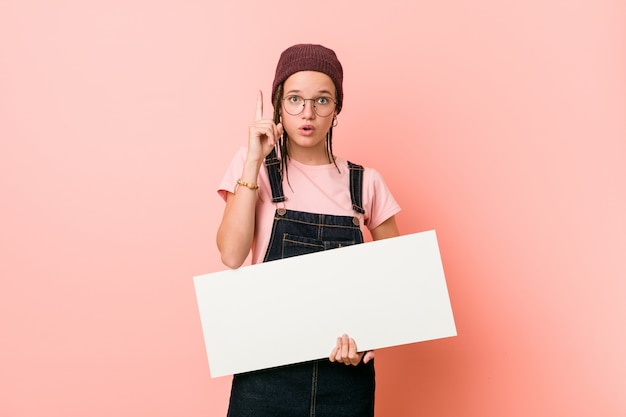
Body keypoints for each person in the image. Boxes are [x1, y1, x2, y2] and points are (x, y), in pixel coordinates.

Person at [216, 44, 401, 417]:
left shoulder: (365, 183)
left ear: (337, 109)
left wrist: (368, 336)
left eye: (322, 101)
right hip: (265, 376)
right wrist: (254, 161)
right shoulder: (253, 166)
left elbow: (397, 282)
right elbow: (232, 254)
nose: (308, 113)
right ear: (278, 105)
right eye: (295, 100)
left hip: (344, 381)